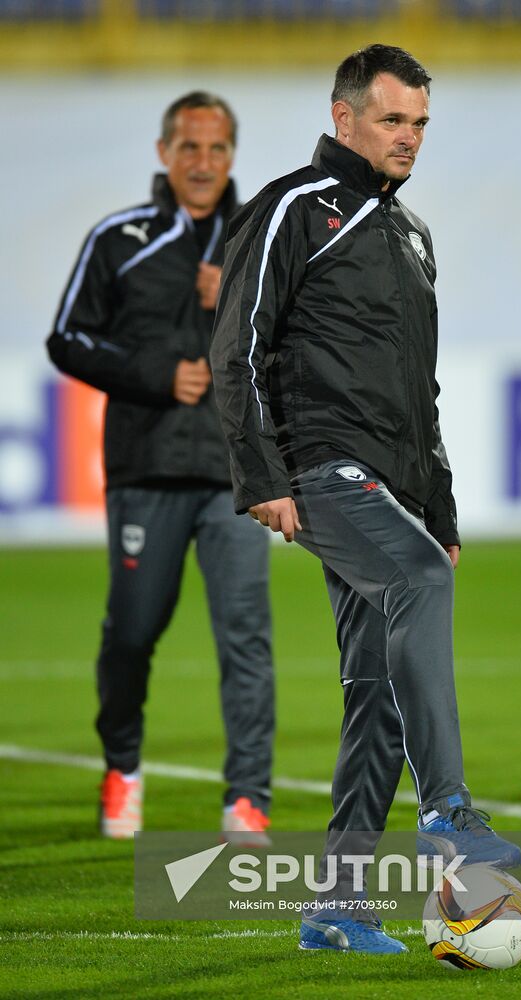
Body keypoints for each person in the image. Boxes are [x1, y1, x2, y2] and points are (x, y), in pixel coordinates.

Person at [211, 46, 521, 952]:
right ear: (344, 117)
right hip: (319, 467)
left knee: (379, 690)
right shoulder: (294, 209)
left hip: (394, 484)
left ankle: (338, 907)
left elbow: (419, 397)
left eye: (421, 123)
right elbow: (236, 346)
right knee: (419, 585)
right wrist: (261, 474)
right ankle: (450, 814)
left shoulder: (412, 234)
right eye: (394, 120)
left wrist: (444, 514)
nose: (410, 138)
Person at [47, 91, 274, 845]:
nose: (203, 163)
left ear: (232, 156)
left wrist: (238, 296)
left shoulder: (260, 238)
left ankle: (248, 797)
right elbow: (68, 338)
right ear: (164, 153)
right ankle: (123, 766)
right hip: (146, 469)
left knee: (246, 635)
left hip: (237, 472)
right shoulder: (119, 237)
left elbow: (298, 345)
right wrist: (156, 373)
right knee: (132, 635)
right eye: (189, 148)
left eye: (216, 150)